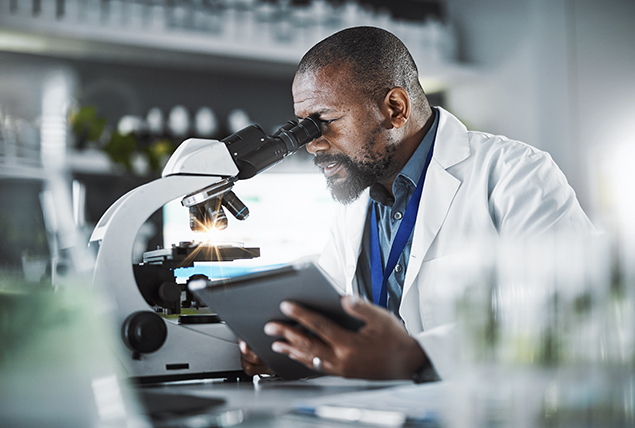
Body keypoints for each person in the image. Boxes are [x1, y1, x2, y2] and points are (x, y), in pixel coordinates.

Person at [239, 26, 594, 382]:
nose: (313, 145)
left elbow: (575, 311)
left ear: (395, 108)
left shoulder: (515, 174)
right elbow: (335, 309)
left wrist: (417, 356)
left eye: (325, 122)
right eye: (305, 128)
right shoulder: (357, 199)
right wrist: (293, 347)